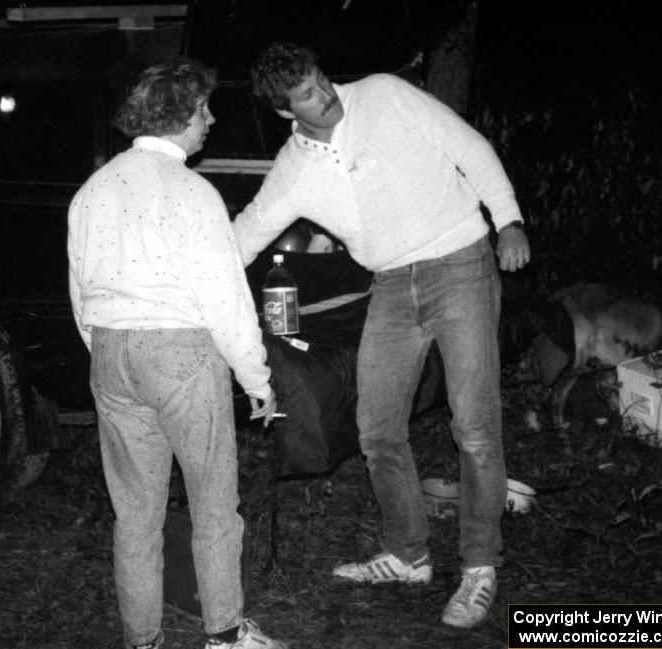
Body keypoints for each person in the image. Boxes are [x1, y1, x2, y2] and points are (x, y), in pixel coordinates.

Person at [232, 42, 531, 629]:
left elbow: (471, 148)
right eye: (307, 97)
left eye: (321, 79)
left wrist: (509, 220)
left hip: (461, 265)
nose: (326, 97)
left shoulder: (385, 95)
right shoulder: (294, 168)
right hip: (391, 287)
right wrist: (190, 290)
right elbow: (249, 229)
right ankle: (409, 554)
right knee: (376, 428)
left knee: (472, 427)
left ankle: (479, 567)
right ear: (284, 112)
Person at [68, 59, 289, 649]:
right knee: (215, 504)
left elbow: (79, 287)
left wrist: (107, 351)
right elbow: (225, 297)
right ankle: (223, 634)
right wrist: (256, 380)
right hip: (179, 354)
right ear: (178, 116)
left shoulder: (93, 189)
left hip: (110, 353)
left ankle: (143, 641)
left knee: (135, 515)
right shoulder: (193, 191)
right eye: (203, 110)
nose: (211, 120)